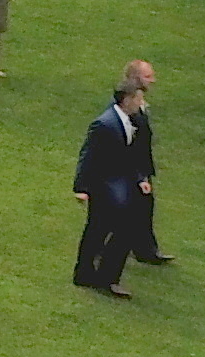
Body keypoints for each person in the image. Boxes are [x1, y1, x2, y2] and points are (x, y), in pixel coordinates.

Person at [72, 75, 150, 294]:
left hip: (118, 188)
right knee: (106, 231)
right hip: (104, 188)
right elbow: (88, 156)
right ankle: (101, 276)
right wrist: (81, 188)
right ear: (126, 99)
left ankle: (92, 275)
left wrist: (140, 179)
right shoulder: (104, 124)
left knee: (101, 231)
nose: (140, 104)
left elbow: (129, 156)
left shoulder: (129, 122)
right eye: (138, 99)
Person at [123, 57, 174, 263]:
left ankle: (145, 250)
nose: (153, 80)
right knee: (128, 210)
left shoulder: (139, 102)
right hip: (132, 170)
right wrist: (140, 175)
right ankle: (142, 250)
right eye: (148, 76)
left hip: (140, 167)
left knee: (144, 208)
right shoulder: (128, 106)